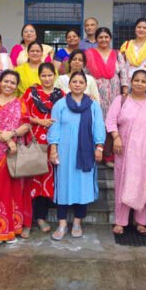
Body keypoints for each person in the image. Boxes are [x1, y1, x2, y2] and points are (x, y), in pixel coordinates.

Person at [47, 72, 106, 240]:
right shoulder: (60, 104)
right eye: (74, 81)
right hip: (65, 153)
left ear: (86, 85)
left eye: (81, 82)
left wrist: (99, 147)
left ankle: (77, 222)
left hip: (85, 153)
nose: (78, 84)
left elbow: (98, 127)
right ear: (69, 84)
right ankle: (62, 224)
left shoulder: (93, 106)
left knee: (82, 186)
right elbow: (54, 127)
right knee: (63, 187)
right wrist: (53, 148)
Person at [106, 70, 146, 235]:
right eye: (136, 80)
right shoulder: (121, 100)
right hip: (125, 150)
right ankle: (120, 221)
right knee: (124, 183)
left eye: (143, 81)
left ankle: (141, 221)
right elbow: (110, 121)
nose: (139, 84)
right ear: (131, 82)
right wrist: (116, 137)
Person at [0, 70, 31, 243]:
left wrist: (12, 134)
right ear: (0, 82)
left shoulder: (20, 103)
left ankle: (12, 228)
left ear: (16, 86)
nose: (9, 85)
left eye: (12, 82)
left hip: (14, 153)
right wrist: (7, 139)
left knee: (14, 189)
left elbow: (26, 125)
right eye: (6, 81)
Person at [21, 63, 64, 235]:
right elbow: (22, 114)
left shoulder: (61, 95)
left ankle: (40, 217)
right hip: (33, 140)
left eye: (49, 75)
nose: (47, 79)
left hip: (53, 143)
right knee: (30, 179)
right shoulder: (31, 93)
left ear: (55, 76)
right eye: (43, 76)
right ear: (39, 77)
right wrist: (40, 121)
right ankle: (25, 220)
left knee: (46, 180)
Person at [84, 27, 128, 167]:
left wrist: (125, 91)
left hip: (114, 93)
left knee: (112, 121)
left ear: (110, 38)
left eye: (106, 37)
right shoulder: (89, 54)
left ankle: (109, 155)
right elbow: (84, 74)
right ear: (96, 39)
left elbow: (124, 73)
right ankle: (97, 152)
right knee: (97, 121)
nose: (103, 39)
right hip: (95, 93)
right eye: (100, 37)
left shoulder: (117, 54)